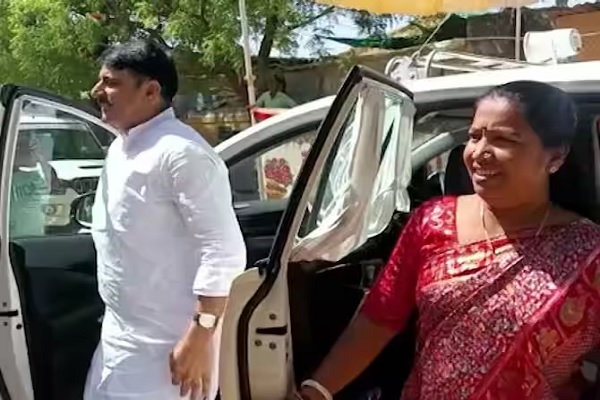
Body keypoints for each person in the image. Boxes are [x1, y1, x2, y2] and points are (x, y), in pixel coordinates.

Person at [294, 81, 600, 399]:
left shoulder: (589, 252)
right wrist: (317, 391)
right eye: (474, 136)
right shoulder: (432, 222)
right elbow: (379, 318)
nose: (479, 153)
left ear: (555, 156)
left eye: (504, 140)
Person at [85, 40, 246, 400]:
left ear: (151, 91)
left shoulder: (182, 153)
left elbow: (224, 252)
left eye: (111, 83)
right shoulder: (121, 147)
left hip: (170, 353)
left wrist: (200, 336)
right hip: (118, 342)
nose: (97, 92)